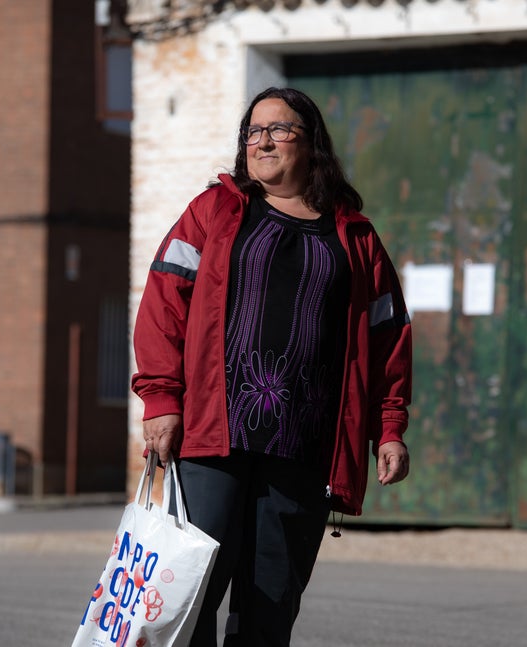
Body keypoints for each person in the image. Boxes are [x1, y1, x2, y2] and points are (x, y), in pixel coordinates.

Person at [131, 87, 412, 646]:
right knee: (188, 595)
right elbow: (164, 303)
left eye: (278, 129)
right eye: (253, 132)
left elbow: (388, 339)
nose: (262, 141)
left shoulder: (354, 238)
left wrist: (389, 427)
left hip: (305, 450)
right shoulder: (213, 212)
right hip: (213, 439)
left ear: (311, 144)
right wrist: (162, 399)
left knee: (270, 606)